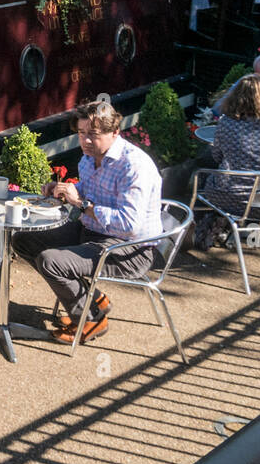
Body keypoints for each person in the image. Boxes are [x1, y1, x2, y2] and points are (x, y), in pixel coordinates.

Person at [14, 99, 162, 343]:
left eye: (93, 134)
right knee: (23, 240)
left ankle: (91, 318)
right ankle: (92, 299)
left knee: (51, 262)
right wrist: (64, 189)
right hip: (92, 232)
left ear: (115, 132)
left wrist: (82, 204)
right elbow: (89, 189)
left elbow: (129, 224)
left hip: (128, 249)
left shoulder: (133, 166)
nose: (85, 141)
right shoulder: (88, 157)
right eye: (81, 133)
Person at [197, 74, 260, 243]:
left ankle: (214, 227)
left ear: (237, 97)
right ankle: (251, 236)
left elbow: (217, 157)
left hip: (231, 199)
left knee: (204, 177)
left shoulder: (227, 124)